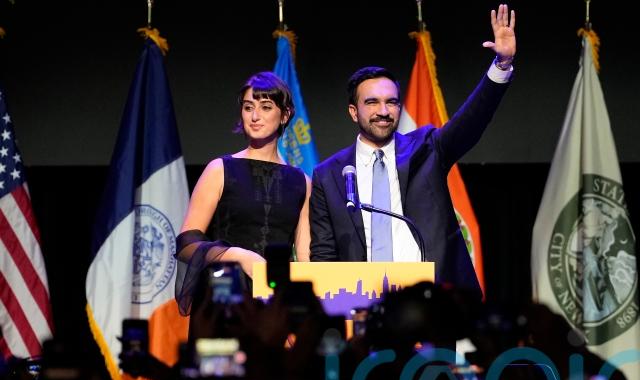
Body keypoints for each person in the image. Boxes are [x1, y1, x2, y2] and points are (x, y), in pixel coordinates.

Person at [309, 4, 516, 301]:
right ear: (354, 112)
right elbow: (324, 255)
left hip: (433, 301)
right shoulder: (329, 175)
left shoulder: (427, 148)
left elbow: (471, 121)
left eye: (391, 102)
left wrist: (501, 65)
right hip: (363, 303)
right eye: (372, 102)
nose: (384, 111)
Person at [175, 71, 311, 316]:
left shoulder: (302, 181)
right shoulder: (220, 169)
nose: (255, 116)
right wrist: (238, 255)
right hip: (224, 299)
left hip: (275, 303)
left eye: (266, 107)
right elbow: (187, 244)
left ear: (285, 115)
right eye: (248, 107)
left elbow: (304, 257)